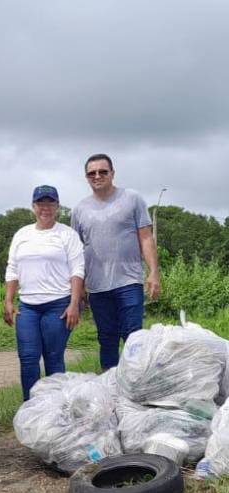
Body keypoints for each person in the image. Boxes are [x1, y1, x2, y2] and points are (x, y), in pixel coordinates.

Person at [71, 153, 160, 370]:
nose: (97, 176)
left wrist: (154, 272)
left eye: (103, 171)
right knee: (106, 338)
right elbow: (75, 252)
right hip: (98, 286)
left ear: (112, 173)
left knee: (133, 337)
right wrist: (79, 288)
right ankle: (109, 389)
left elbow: (146, 237)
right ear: (86, 177)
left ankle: (134, 386)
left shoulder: (132, 199)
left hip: (129, 282)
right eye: (92, 173)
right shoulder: (79, 210)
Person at [3, 185, 85, 400]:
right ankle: (30, 409)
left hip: (58, 304)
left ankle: (56, 410)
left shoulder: (67, 235)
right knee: (28, 358)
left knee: (53, 357)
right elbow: (12, 268)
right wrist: (9, 300)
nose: (45, 208)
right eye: (41, 203)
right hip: (28, 306)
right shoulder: (22, 234)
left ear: (57, 206)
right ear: (33, 206)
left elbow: (77, 270)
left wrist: (74, 303)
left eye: (50, 203)